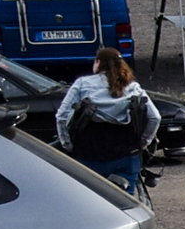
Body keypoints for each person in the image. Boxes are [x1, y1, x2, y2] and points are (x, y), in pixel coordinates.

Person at [53, 47, 160, 195]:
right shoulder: (132, 87)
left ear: (98, 62)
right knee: (126, 203)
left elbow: (62, 117)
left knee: (91, 201)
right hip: (126, 155)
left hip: (88, 154)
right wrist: (143, 142)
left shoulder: (82, 84)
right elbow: (155, 117)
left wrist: (67, 144)